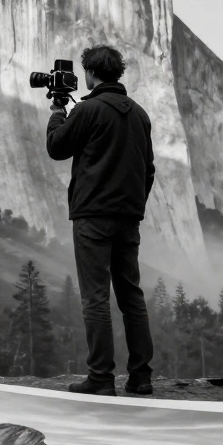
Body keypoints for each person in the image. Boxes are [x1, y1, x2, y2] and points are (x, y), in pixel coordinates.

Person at [46, 44, 156, 396]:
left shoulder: (89, 109)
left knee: (95, 297)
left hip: (92, 217)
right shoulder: (139, 115)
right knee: (131, 297)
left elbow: (57, 147)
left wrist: (57, 111)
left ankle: (101, 378)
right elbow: (148, 169)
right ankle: (141, 378)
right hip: (128, 218)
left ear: (91, 74)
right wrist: (135, 204)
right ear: (117, 73)